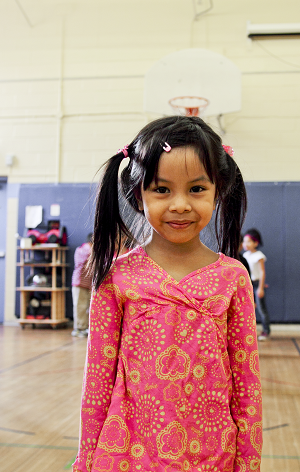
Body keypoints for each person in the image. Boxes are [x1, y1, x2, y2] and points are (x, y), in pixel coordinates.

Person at [73, 116, 262, 472]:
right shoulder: (117, 278)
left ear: (218, 190)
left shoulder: (232, 278)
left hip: (212, 455)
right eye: (162, 189)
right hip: (129, 453)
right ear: (137, 193)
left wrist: (248, 461)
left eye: (196, 189)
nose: (179, 205)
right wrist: (85, 461)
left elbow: (247, 385)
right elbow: (97, 383)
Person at [242, 228, 270, 341]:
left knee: (261, 309)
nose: (245, 244)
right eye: (244, 241)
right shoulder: (245, 256)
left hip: (257, 284)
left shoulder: (259, 255)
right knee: (249, 309)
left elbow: (262, 272)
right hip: (248, 284)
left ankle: (266, 331)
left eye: (248, 241)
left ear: (255, 243)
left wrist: (261, 288)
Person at [71, 233, 93, 338]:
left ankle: (86, 327)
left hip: (88, 284)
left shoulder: (90, 249)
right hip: (80, 283)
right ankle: (79, 328)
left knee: (88, 307)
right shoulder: (84, 249)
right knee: (80, 306)